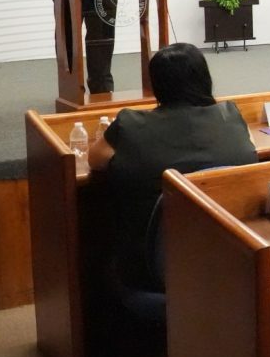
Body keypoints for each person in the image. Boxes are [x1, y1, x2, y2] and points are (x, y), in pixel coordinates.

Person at [88, 43, 257, 290]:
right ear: (205, 79)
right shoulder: (230, 116)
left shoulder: (131, 124)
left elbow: (95, 159)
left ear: (156, 85)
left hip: (151, 273)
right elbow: (250, 148)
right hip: (231, 263)